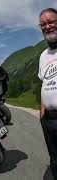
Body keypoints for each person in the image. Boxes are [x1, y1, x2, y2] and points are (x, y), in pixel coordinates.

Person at [38, 8, 57, 179]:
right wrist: (42, 110)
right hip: (49, 119)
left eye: (51, 22)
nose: (47, 26)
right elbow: (44, 83)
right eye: (43, 24)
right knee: (55, 159)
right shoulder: (43, 56)